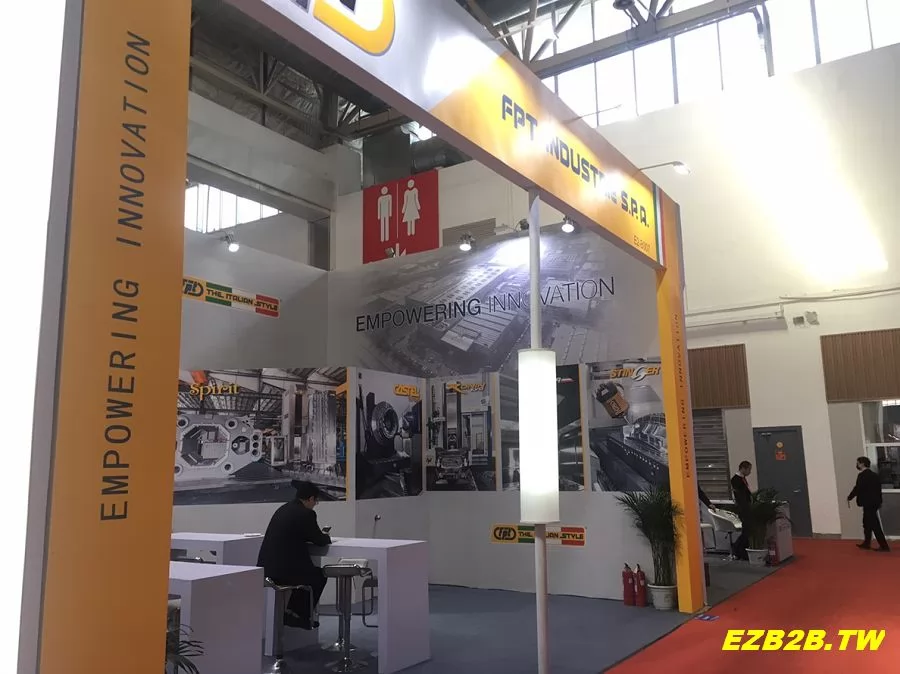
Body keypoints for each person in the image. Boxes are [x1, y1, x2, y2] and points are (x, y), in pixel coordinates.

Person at [257, 481, 333, 628]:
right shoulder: (306, 514)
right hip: (284, 572)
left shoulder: (283, 509)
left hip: (267, 569)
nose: (315, 504)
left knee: (307, 574)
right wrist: (326, 536)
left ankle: (292, 613)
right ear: (311, 498)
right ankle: (298, 616)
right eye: (315, 501)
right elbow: (320, 540)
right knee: (317, 576)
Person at [847, 456, 890, 552]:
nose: (857, 465)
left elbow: (858, 488)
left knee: (874, 524)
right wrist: (879, 501)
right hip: (874, 503)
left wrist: (850, 497)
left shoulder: (862, 476)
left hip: (867, 503)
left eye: (858, 463)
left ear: (862, 464)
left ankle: (884, 546)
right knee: (867, 523)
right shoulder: (874, 475)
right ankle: (867, 543)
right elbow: (878, 490)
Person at [730, 461, 753, 560]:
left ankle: (740, 550)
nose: (750, 472)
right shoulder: (735, 480)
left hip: (746, 506)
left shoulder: (743, 478)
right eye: (749, 469)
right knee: (746, 531)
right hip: (743, 508)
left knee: (747, 530)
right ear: (743, 468)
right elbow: (740, 495)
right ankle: (736, 548)